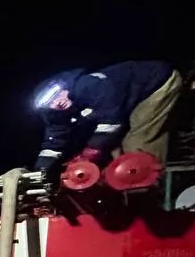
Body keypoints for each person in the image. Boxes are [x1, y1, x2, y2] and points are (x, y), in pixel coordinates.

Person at [31, 60, 182, 175]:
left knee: (137, 141)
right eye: (51, 102)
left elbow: (111, 122)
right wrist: (39, 172)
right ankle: (122, 189)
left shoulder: (87, 86)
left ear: (65, 88)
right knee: (112, 150)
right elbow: (53, 145)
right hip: (129, 101)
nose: (58, 101)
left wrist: (88, 153)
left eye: (57, 94)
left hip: (156, 83)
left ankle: (147, 187)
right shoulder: (56, 115)